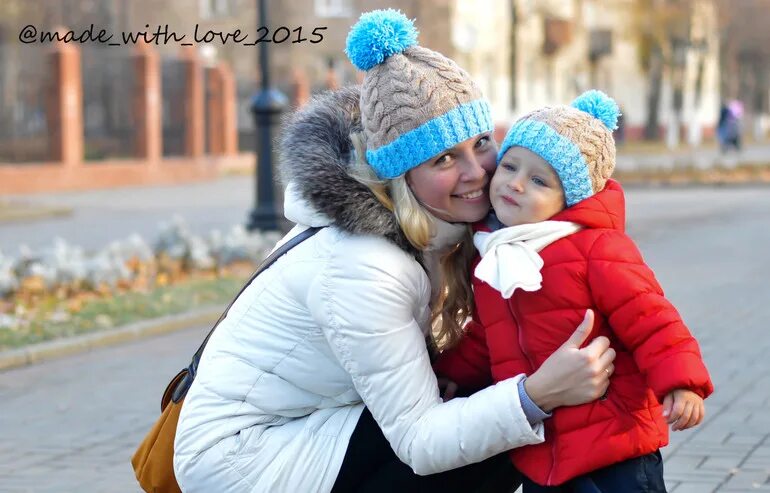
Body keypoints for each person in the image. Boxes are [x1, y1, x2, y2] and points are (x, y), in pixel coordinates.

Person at [173, 11, 616, 493]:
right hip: (244, 456)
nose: (477, 173)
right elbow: (420, 440)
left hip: (315, 417)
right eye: (444, 158)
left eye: (482, 143)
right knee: (507, 428)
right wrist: (540, 392)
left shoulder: (439, 227)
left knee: (491, 407)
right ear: (402, 177)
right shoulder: (363, 265)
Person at [434, 90, 714, 492]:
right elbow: (486, 336)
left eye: (538, 180)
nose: (514, 184)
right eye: (510, 166)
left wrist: (682, 382)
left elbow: (651, 319)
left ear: (569, 197)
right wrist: (451, 375)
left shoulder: (596, 249)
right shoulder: (493, 256)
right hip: (542, 449)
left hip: (614, 444)